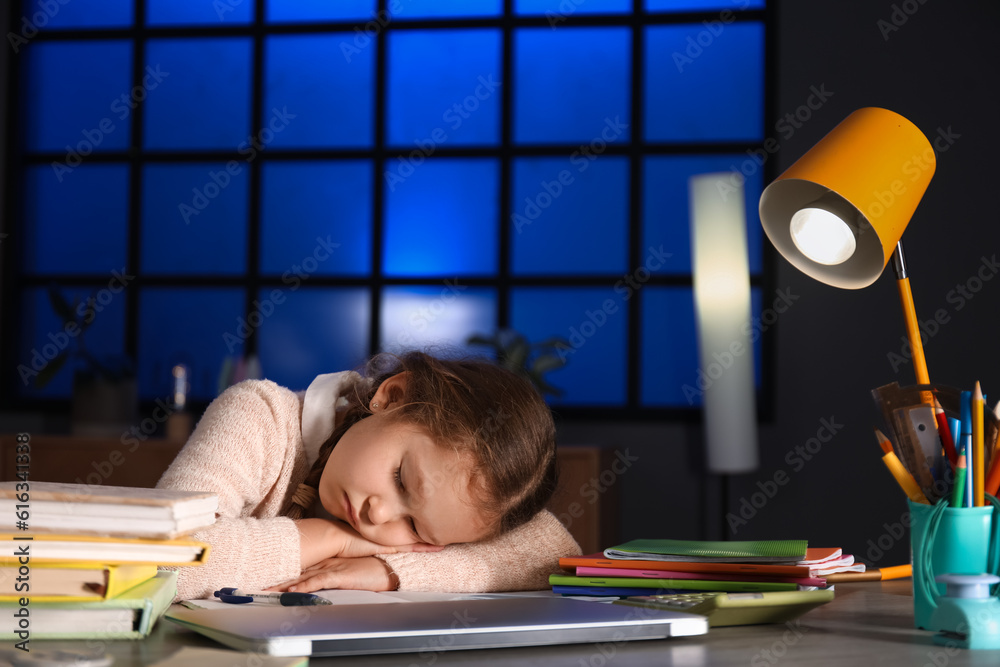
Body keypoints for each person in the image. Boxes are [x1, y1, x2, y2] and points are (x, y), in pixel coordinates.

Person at [156, 350, 581, 601]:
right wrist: (330, 538)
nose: (379, 516)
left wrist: (388, 570)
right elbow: (160, 559)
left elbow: (553, 554)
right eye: (399, 479)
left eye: (415, 527)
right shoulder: (259, 416)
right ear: (393, 396)